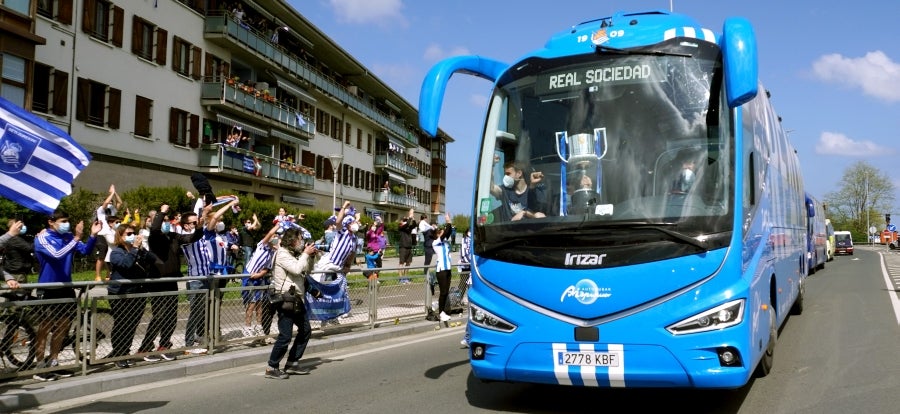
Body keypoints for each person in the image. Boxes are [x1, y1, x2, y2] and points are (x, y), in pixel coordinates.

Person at [32, 209, 101, 381]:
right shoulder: (42, 238)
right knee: (44, 328)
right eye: (62, 221)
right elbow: (56, 255)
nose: (66, 224)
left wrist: (92, 236)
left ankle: (53, 361)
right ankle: (39, 366)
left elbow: (84, 251)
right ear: (51, 222)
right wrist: (76, 238)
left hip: (65, 287)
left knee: (63, 326)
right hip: (48, 289)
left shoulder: (68, 236)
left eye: (67, 221)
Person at [139, 203, 201, 361]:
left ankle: (164, 345)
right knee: (159, 315)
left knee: (171, 315)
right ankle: (145, 347)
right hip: (157, 280)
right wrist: (161, 212)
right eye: (163, 220)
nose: (166, 222)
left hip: (172, 280)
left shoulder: (174, 236)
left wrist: (199, 226)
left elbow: (192, 237)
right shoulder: (155, 237)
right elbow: (154, 229)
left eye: (168, 219)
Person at [265, 227, 318, 379]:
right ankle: (272, 366)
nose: (302, 242)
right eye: (300, 239)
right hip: (286, 299)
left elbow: (306, 270)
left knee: (305, 330)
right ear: (292, 240)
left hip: (297, 299)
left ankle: (292, 362)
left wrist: (311, 257)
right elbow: (296, 269)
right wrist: (305, 254)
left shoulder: (293, 254)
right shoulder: (282, 254)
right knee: (285, 336)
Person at [107, 223, 157, 368]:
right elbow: (126, 264)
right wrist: (134, 249)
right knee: (122, 323)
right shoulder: (116, 252)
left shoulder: (138, 250)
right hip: (120, 293)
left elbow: (153, 259)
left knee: (132, 324)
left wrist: (141, 249)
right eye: (128, 234)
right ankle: (119, 353)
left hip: (137, 292)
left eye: (133, 233)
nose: (132, 236)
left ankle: (125, 351)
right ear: (120, 236)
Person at [241, 223, 281, 337]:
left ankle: (259, 326)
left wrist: (260, 274)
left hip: (258, 277)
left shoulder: (273, 253)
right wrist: (278, 226)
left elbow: (266, 269)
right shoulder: (262, 246)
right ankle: (247, 326)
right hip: (249, 275)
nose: (275, 240)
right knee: (251, 303)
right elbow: (269, 234)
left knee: (260, 303)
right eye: (274, 238)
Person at [432, 213, 454, 322]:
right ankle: (441, 313)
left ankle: (442, 311)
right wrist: (448, 221)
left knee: (446, 292)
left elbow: (448, 232)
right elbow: (446, 232)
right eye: (440, 232)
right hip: (441, 270)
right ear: (437, 235)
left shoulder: (445, 242)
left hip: (448, 268)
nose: (442, 232)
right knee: (443, 292)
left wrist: (449, 224)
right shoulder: (436, 242)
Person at [2, 219, 32, 292]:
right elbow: (30, 248)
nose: (23, 227)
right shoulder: (15, 239)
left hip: (13, 269)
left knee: (13, 294)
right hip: (17, 271)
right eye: (20, 226)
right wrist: (39, 239)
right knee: (19, 294)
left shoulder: (12, 238)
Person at [397, 208, 416, 284]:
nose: (405, 222)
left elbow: (414, 225)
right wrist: (410, 216)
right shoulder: (401, 227)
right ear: (401, 221)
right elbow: (407, 223)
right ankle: (400, 278)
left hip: (409, 246)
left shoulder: (408, 228)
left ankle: (405, 277)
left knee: (408, 263)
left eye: (406, 220)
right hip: (403, 247)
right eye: (404, 220)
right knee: (401, 263)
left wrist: (413, 217)